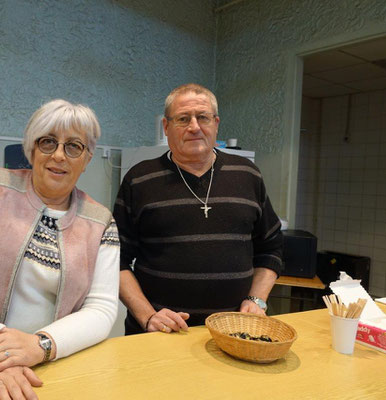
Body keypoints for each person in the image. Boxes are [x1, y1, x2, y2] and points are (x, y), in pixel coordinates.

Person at [0, 99, 120, 400]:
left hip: (48, 367)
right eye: (48, 142)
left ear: (87, 159)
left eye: (73, 146)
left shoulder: (102, 222)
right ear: (32, 149)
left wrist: (40, 346)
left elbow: (101, 309)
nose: (59, 155)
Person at [113, 83, 283, 335]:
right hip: (158, 335)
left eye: (202, 117)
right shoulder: (139, 179)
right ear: (166, 127)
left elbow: (271, 247)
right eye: (183, 119)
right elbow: (115, 259)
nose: (194, 127)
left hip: (234, 333)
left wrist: (256, 300)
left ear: (216, 123)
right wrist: (148, 316)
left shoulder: (248, 174)